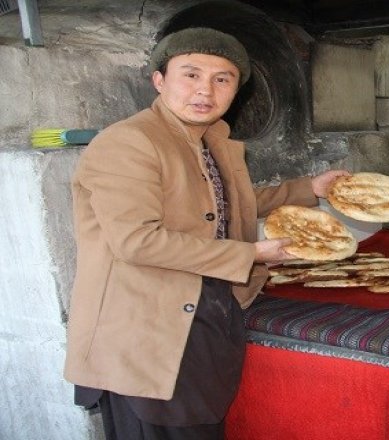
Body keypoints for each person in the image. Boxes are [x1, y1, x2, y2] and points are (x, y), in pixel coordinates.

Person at [63, 27, 348, 439]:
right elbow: (136, 241)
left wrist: (310, 189)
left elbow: (228, 201)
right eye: (191, 75)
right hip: (147, 330)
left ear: (235, 91)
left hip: (203, 313)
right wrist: (250, 254)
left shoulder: (211, 140)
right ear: (159, 81)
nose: (205, 91)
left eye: (222, 79)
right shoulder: (129, 142)